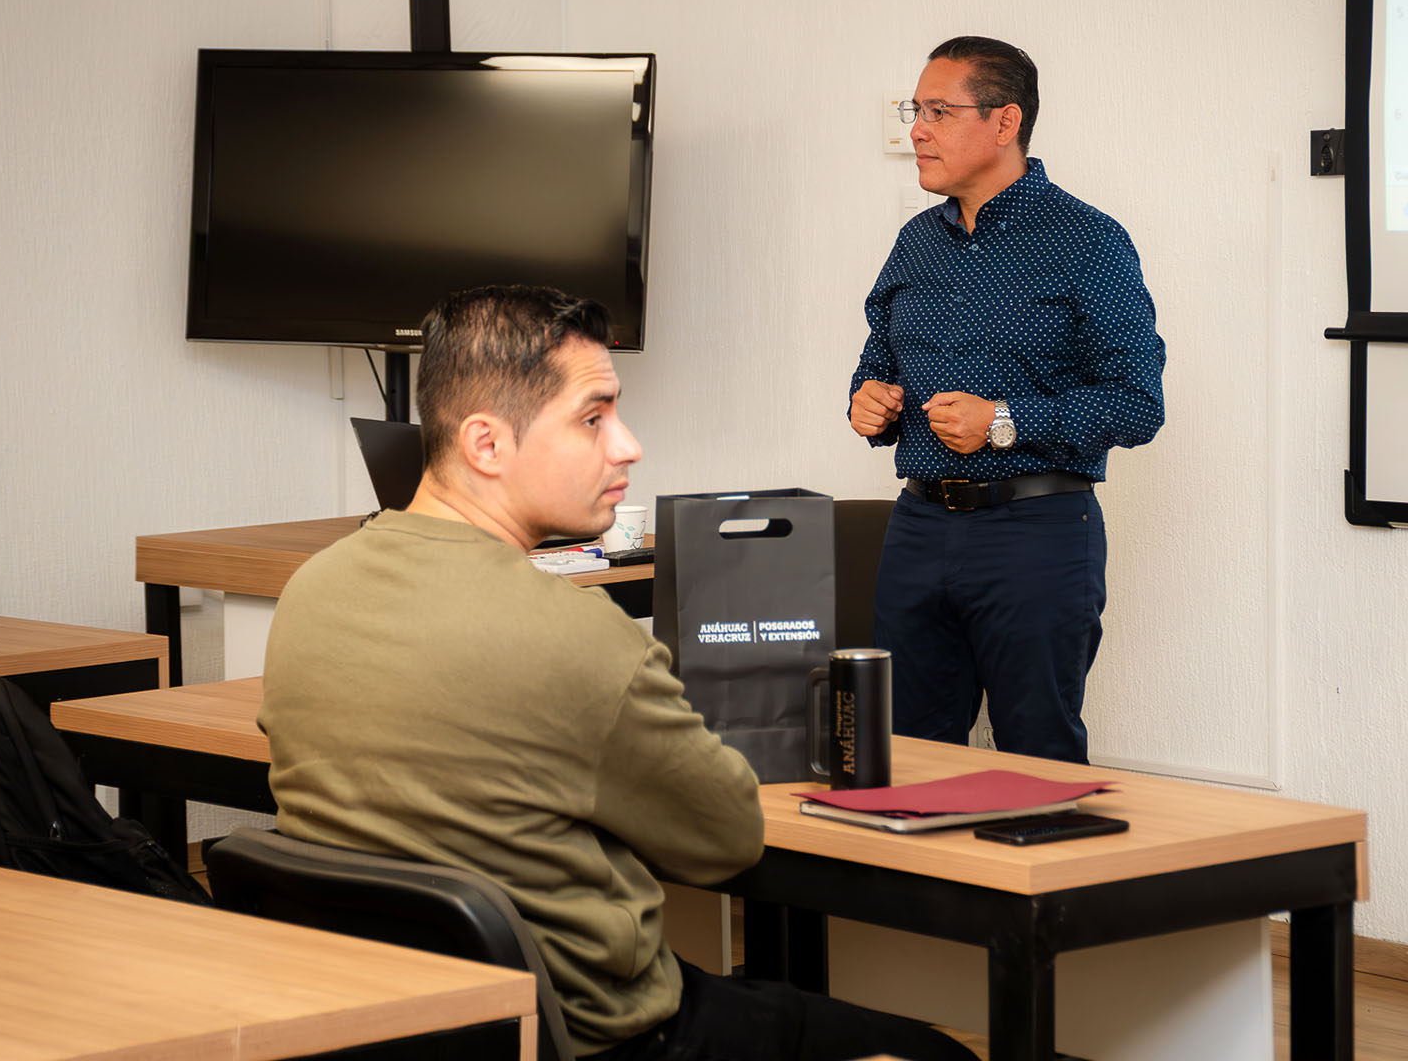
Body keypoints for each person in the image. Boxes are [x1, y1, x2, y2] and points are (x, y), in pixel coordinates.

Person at [261, 286, 973, 1061]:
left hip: (397, 1022)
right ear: (486, 444)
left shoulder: (313, 590)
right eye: (593, 418)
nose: (627, 445)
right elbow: (725, 839)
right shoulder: (573, 634)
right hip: (601, 1034)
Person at [848, 37, 1165, 765]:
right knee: (906, 758)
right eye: (913, 110)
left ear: (1003, 122)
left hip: (1037, 533)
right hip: (918, 529)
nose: (917, 129)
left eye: (937, 111)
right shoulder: (915, 244)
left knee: (1037, 758)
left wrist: (1002, 421)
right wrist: (868, 402)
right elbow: (878, 358)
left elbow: (1136, 403)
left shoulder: (1088, 242)